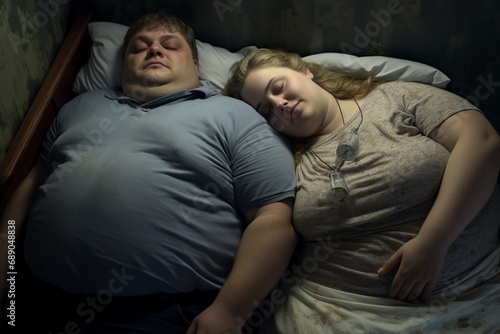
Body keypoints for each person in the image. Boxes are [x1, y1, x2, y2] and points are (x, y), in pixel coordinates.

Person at [0, 14, 297, 334]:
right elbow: (31, 187)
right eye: (139, 47)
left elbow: (273, 217)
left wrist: (230, 310)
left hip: (166, 313)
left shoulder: (236, 115)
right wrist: (6, 262)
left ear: (196, 65)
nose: (155, 51)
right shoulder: (79, 106)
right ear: (125, 63)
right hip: (38, 300)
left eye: (170, 46)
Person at [224, 48, 500, 333]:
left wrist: (433, 243)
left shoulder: (395, 97)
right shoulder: (286, 162)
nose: (279, 103)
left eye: (278, 87)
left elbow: (481, 142)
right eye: (266, 110)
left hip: (471, 290)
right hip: (337, 310)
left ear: (306, 72)